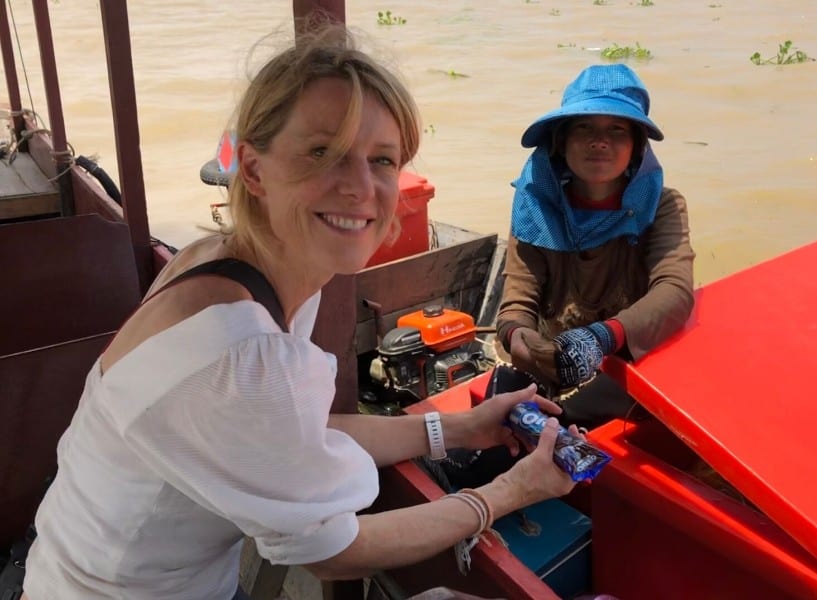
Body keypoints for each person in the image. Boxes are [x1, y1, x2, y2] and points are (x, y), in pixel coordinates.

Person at [22, 23, 578, 600]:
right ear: (256, 171)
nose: (361, 187)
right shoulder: (241, 352)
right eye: (322, 152)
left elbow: (304, 431)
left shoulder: (228, 264)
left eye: (382, 159)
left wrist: (462, 427)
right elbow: (335, 553)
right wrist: (508, 493)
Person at [496, 64, 695, 428]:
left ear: (636, 147)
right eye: (584, 126)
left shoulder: (663, 206)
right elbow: (517, 301)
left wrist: (601, 338)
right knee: (512, 413)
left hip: (626, 358)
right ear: (560, 140)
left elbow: (675, 291)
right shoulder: (535, 207)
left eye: (616, 129)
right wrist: (518, 338)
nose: (599, 141)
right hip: (555, 359)